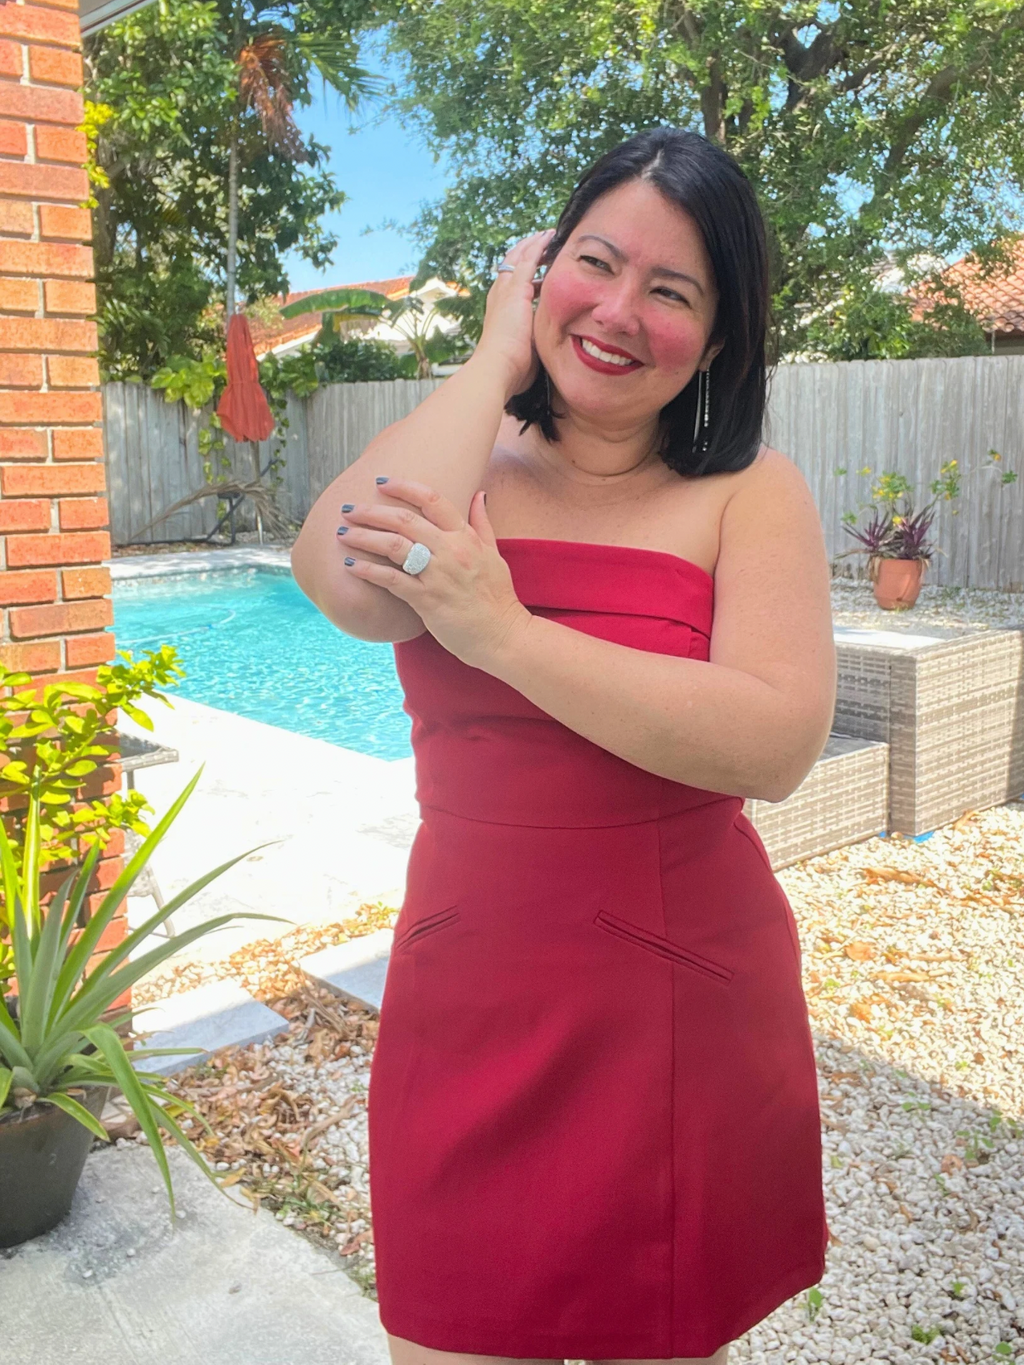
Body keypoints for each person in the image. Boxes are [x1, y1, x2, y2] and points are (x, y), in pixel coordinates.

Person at [291, 126, 836, 1365]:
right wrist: (497, 352)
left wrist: (503, 634)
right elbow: (349, 587)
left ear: (720, 336)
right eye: (595, 262)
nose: (619, 311)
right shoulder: (459, 464)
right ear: (541, 268)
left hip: (680, 1005)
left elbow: (774, 742)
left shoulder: (749, 492)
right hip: (469, 986)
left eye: (672, 290)